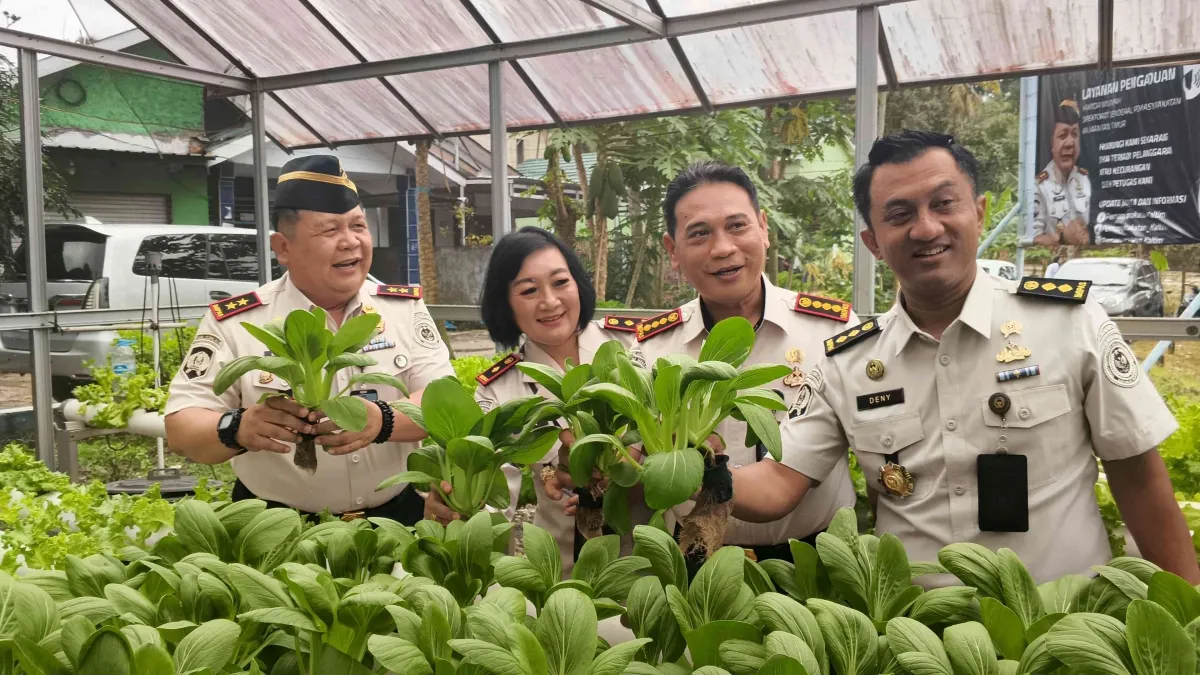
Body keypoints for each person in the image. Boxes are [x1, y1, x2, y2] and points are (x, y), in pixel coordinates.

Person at [728, 130, 1200, 584]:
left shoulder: (1069, 322)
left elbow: (1137, 475)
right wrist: (691, 468)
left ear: (978, 212)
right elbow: (778, 480)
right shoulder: (849, 362)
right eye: (898, 214)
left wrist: (1188, 607)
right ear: (873, 242)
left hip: (1059, 628)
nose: (926, 227)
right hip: (917, 638)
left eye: (943, 203)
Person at [578, 161, 858, 563]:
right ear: (672, 251)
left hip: (812, 561)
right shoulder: (651, 349)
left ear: (764, 228)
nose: (723, 247)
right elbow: (635, 470)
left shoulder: (831, 330)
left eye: (737, 226)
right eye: (700, 233)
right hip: (694, 559)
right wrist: (598, 469)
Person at [165, 156, 452, 523]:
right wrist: (237, 428)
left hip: (397, 520)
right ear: (283, 248)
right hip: (279, 527)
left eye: (359, 226)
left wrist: (383, 421)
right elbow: (181, 427)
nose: (350, 242)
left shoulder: (401, 308)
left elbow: (444, 402)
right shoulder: (239, 321)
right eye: (329, 231)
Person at [423, 226, 647, 575]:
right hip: (563, 574)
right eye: (529, 290)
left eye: (561, 282)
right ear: (507, 306)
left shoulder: (633, 347)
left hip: (645, 565)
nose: (550, 301)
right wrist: (459, 506)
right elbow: (495, 501)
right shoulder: (500, 390)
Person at [1032, 99, 1090, 247]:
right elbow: (1033, 239)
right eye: (1063, 136)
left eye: (1074, 134)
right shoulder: (1039, 186)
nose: (1070, 143)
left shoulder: (1085, 179)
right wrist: (1062, 237)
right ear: (1052, 143)